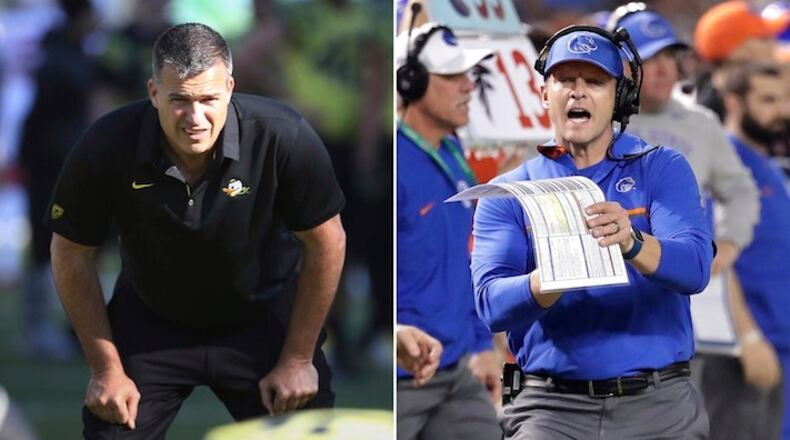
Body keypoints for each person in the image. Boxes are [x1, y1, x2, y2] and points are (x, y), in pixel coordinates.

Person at [46, 23, 346, 439]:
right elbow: (70, 251)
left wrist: (297, 359)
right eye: (180, 101)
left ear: (230, 87)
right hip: (150, 319)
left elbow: (327, 241)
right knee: (110, 425)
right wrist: (105, 369)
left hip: (262, 316)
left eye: (208, 99)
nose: (195, 117)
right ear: (153, 93)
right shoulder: (107, 143)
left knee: (309, 431)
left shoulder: (284, 135)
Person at [471, 26, 713, 439]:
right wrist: (556, 271)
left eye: (595, 81)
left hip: (658, 404)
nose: (578, 92)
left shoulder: (662, 167)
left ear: (619, 96)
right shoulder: (511, 191)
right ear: (545, 93)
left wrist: (631, 241)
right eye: (565, 80)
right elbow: (492, 306)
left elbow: (694, 269)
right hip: (550, 407)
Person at [395, 21, 501, 440]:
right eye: (453, 76)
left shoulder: (452, 150)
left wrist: (480, 344)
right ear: (412, 81)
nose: (468, 87)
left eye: (468, 75)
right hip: (405, 375)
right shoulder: (398, 161)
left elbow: (465, 258)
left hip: (456, 369)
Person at [609, 4, 759, 275]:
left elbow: (740, 190)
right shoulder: (596, 123)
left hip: (681, 277)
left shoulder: (700, 123)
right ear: (619, 67)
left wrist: (728, 244)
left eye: (669, 57)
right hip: (614, 272)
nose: (664, 70)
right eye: (649, 59)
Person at [697, 63, 790, 440]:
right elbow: (715, 260)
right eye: (768, 100)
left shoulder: (769, 167)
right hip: (742, 351)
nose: (782, 110)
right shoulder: (721, 166)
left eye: (785, 98)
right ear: (734, 103)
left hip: (780, 343)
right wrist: (747, 337)